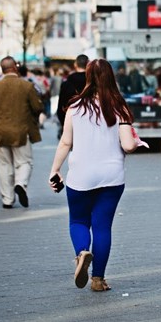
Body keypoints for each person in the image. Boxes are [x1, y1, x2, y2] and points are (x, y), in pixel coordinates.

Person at [48, 59, 144, 292]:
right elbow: (128, 145)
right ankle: (98, 280)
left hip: (81, 174)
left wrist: (55, 170)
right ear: (112, 77)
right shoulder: (119, 106)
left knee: (79, 221)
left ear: (88, 77)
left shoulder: (75, 107)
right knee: (102, 227)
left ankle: (82, 252)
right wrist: (137, 141)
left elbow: (66, 142)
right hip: (112, 176)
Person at [0, 56, 44, 209]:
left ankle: (7, 199)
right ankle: (21, 184)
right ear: (15, 68)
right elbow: (37, 108)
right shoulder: (26, 86)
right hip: (21, 132)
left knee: (4, 166)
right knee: (24, 162)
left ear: (1, 69)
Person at [57, 54, 88, 138]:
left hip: (72, 122)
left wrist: (64, 124)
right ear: (88, 64)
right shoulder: (94, 82)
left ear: (75, 65)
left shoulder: (67, 83)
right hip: (91, 122)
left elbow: (61, 106)